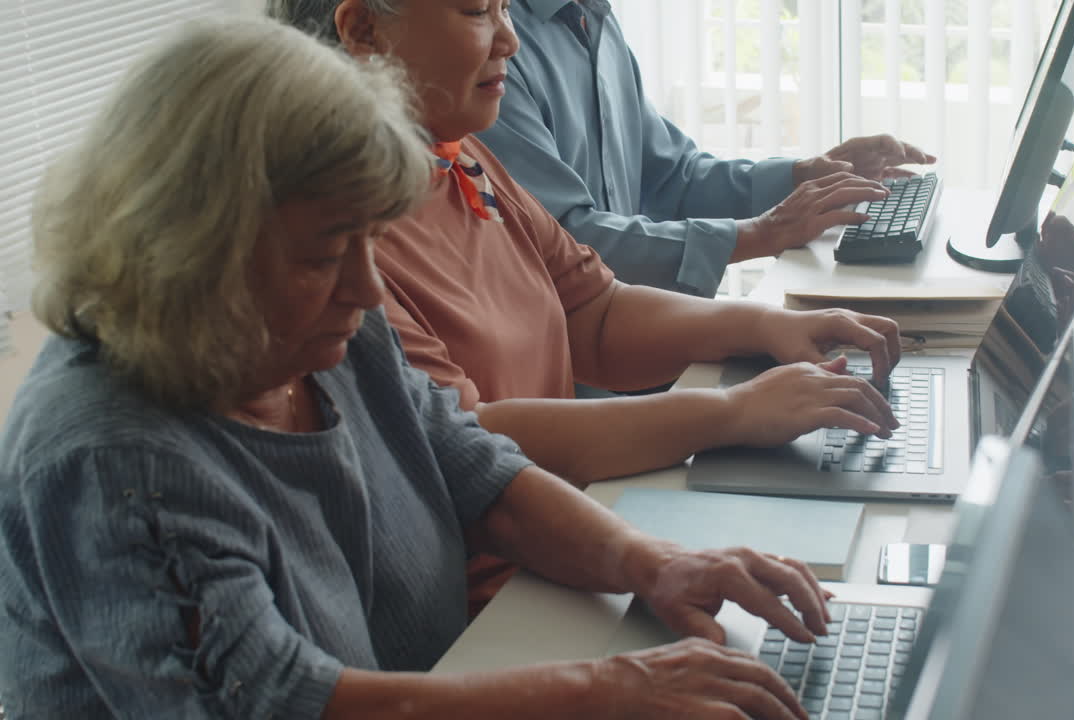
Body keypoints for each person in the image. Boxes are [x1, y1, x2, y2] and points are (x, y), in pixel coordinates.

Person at [0, 17, 836, 719]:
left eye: (372, 239)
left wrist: (651, 563)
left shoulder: (319, 330)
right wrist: (600, 691)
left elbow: (476, 471)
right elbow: (282, 703)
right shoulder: (115, 461)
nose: (366, 287)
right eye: (327, 255)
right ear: (190, 255)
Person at [267, 0, 906, 611]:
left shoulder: (461, 156)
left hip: (582, 534)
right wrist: (731, 411)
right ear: (364, 31)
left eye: (506, 11)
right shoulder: (334, 246)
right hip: (505, 594)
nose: (509, 41)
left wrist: (769, 326)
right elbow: (470, 445)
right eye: (474, 12)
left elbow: (595, 314)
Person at [477, 0, 938, 297]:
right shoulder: (493, 55)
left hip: (640, 337)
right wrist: (758, 234)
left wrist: (805, 176)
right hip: (582, 373)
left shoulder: (593, 17)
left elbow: (672, 173)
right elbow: (566, 240)